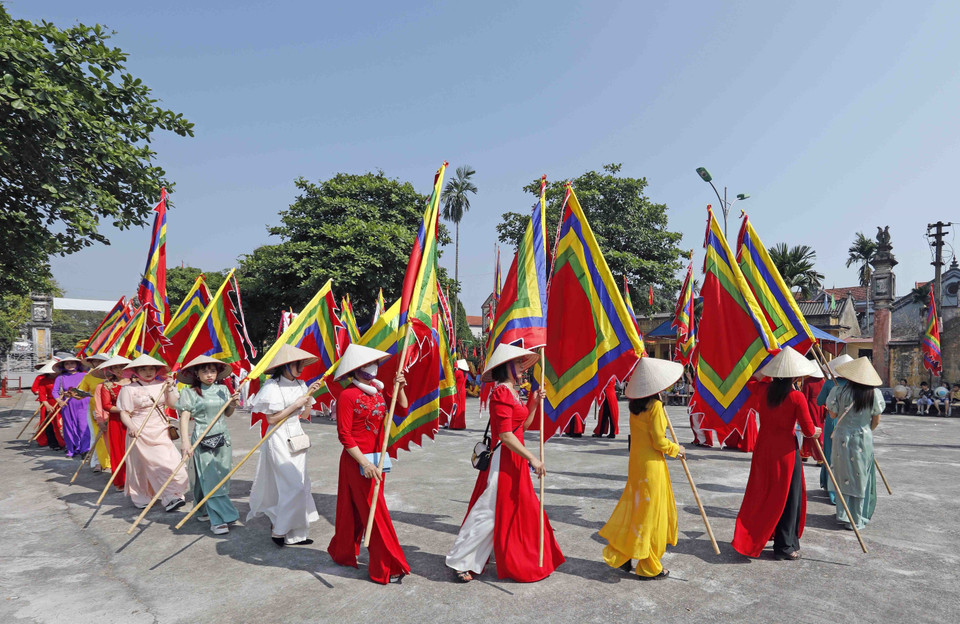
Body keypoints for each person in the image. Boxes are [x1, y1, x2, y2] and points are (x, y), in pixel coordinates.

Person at [446, 343, 565, 583]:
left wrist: (534, 402)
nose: (523, 367)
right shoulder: (500, 392)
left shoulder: (513, 392)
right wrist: (532, 457)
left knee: (510, 509)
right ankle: (460, 559)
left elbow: (524, 426)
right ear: (506, 367)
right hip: (504, 459)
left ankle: (485, 558)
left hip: (515, 458)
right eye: (518, 363)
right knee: (489, 510)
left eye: (522, 363)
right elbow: (505, 435)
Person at [328, 344, 410, 584]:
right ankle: (386, 565)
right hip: (358, 462)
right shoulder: (347, 395)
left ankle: (343, 552)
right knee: (377, 514)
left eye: (373, 363)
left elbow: (402, 409)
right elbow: (344, 435)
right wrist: (364, 463)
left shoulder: (377, 390)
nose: (373, 367)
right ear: (356, 369)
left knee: (361, 509)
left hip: (378, 459)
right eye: (367, 364)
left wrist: (400, 387)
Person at [598, 357, 685, 579]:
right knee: (650, 516)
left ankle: (625, 556)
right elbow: (659, 442)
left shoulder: (635, 407)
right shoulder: (655, 406)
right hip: (651, 467)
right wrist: (677, 449)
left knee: (637, 511)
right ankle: (648, 566)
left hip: (637, 464)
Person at [732, 347, 821, 560]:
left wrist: (767, 369)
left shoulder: (764, 391)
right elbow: (809, 430)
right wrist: (816, 431)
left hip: (764, 449)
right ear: (795, 374)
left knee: (764, 494)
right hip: (786, 453)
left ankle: (763, 535)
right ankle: (785, 546)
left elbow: (751, 381)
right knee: (788, 498)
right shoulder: (796, 396)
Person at [247, 344, 322, 546]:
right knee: (293, 486)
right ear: (286, 366)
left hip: (297, 436)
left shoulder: (301, 384)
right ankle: (279, 530)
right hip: (278, 438)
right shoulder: (271, 387)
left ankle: (296, 535)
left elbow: (305, 415)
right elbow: (272, 420)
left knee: (301, 485)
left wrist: (308, 399)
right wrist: (295, 405)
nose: (301, 367)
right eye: (297, 364)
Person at [176, 356, 242, 535]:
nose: (209, 375)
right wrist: (185, 442)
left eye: (212, 371)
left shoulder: (222, 389)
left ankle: (203, 509)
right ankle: (220, 518)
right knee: (210, 477)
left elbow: (227, 413)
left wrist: (233, 403)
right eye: (204, 371)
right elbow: (184, 417)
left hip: (223, 438)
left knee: (220, 476)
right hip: (202, 438)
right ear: (196, 374)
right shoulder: (189, 393)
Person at [117, 354, 187, 511]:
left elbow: (173, 405)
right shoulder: (128, 389)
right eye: (143, 369)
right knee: (144, 466)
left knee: (170, 462)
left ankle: (172, 495)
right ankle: (146, 495)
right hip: (140, 430)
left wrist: (170, 388)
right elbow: (124, 413)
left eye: (151, 368)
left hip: (161, 429)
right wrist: (131, 426)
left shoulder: (163, 384)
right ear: (136, 371)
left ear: (157, 370)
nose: (148, 372)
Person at [826, 357, 885, 530]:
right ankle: (857, 517)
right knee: (860, 476)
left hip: (842, 437)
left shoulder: (838, 391)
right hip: (863, 436)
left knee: (843, 475)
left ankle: (843, 514)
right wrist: (865, 432)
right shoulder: (874, 394)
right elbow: (876, 420)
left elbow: (833, 416)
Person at [816, 354, 853, 503]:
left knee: (831, 454)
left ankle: (830, 487)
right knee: (845, 457)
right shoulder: (855, 385)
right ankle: (844, 488)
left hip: (832, 421)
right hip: (850, 423)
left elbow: (819, 401)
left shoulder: (830, 384)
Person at [91, 356, 131, 489]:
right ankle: (122, 480)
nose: (119, 369)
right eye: (115, 367)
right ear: (111, 370)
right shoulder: (107, 386)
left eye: (122, 366)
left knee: (137, 452)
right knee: (119, 451)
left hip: (137, 420)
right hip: (117, 421)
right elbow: (106, 405)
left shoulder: (137, 382)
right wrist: (123, 410)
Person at [52, 356, 91, 458]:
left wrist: (78, 394)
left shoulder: (85, 376)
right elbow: (54, 392)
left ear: (77, 364)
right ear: (63, 366)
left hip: (83, 404)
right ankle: (71, 449)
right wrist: (59, 401)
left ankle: (85, 449)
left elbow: (89, 390)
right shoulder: (60, 378)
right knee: (69, 427)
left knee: (83, 427)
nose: (70, 366)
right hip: (67, 405)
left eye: (72, 363)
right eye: (67, 364)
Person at [79, 354, 111, 472]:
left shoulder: (114, 376)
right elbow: (81, 392)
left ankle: (112, 460)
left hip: (112, 409)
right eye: (96, 361)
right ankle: (98, 462)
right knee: (96, 436)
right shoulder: (88, 377)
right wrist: (75, 394)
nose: (98, 364)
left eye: (101, 361)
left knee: (111, 436)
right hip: (94, 409)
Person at [32, 359, 64, 450]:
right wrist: (47, 405)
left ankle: (66, 442)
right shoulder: (43, 380)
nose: (54, 372)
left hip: (63, 404)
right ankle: (54, 443)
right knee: (50, 424)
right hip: (50, 404)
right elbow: (41, 394)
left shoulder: (63, 378)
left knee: (62, 424)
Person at [800, 365, 825, 463]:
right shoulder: (823, 381)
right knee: (819, 429)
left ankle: (813, 455)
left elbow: (804, 398)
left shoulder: (807, 382)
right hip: (821, 406)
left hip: (811, 407)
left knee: (809, 428)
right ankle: (811, 453)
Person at [449, 359, 469, 430]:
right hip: (463, 391)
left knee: (456, 407)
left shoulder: (458, 372)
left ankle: (455, 425)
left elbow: (452, 380)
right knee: (461, 407)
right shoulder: (465, 373)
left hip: (457, 391)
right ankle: (461, 424)